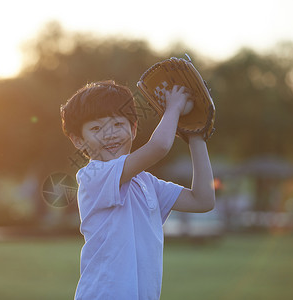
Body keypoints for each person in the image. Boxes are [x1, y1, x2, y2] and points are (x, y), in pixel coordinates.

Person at [60, 80, 215, 299]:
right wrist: (174, 108)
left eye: (117, 124)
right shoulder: (93, 176)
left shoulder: (147, 183)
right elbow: (159, 147)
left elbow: (203, 200)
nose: (109, 134)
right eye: (96, 128)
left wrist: (196, 137)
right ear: (78, 141)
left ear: (133, 129)